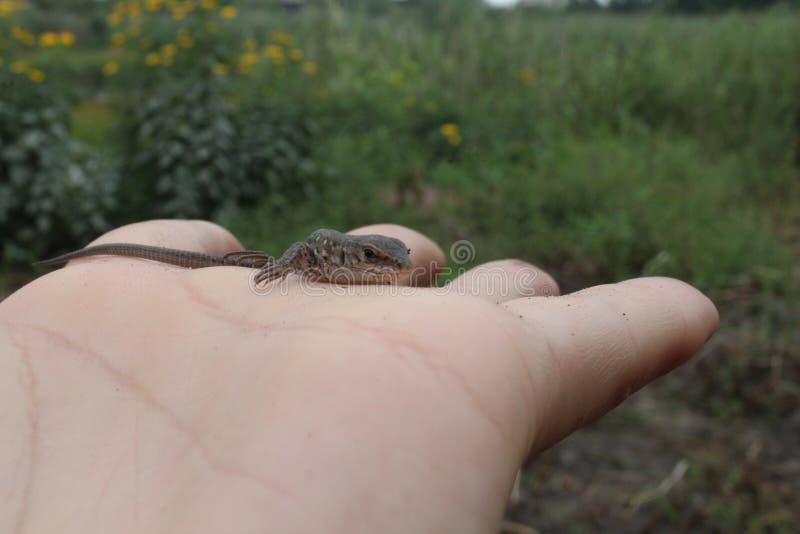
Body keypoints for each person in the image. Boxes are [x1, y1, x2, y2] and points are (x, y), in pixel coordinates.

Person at [0, 220, 718, 533]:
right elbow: (311, 253)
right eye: (380, 262)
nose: (391, 269)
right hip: (295, 257)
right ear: (358, 261)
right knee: (247, 262)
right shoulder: (327, 258)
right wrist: (279, 271)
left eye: (386, 261)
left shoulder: (372, 262)